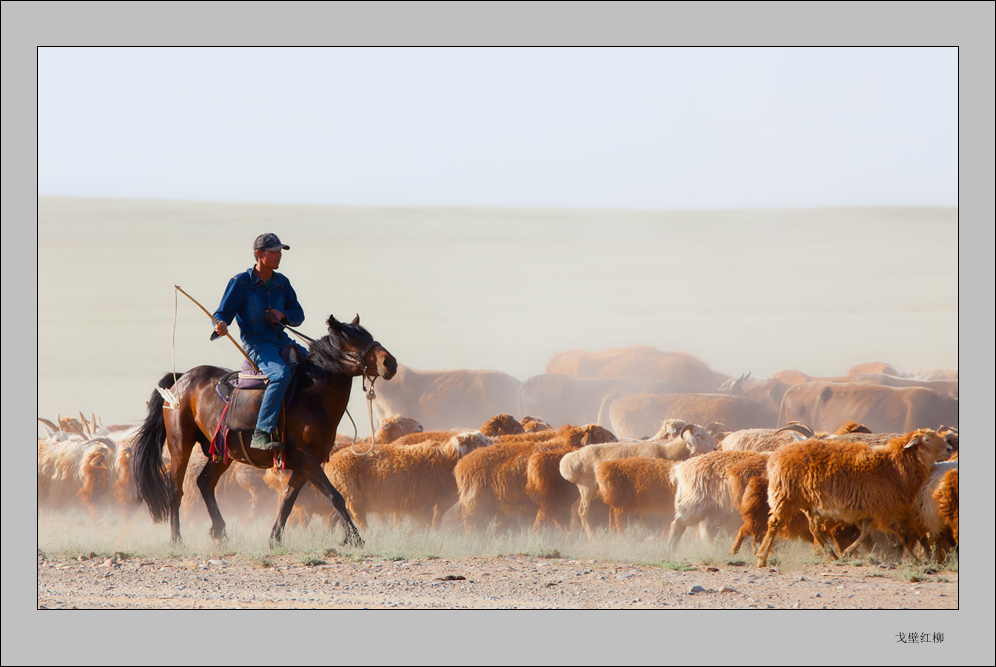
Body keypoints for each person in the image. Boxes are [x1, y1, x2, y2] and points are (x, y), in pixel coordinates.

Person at [213, 233, 308, 451]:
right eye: (274, 252)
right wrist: (220, 325)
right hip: (257, 344)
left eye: (280, 251)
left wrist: (283, 315)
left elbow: (299, 315)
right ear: (259, 254)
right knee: (281, 375)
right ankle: (261, 432)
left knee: (317, 366)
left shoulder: (282, 282)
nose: (279, 256)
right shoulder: (240, 283)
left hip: (281, 340)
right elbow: (221, 314)